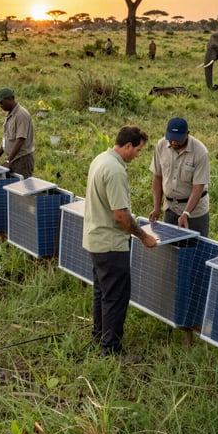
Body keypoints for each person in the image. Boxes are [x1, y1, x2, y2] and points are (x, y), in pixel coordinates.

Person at [83, 125, 158, 357]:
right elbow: (120, 215)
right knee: (116, 297)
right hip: (111, 243)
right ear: (127, 146)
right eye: (138, 150)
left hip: (95, 238)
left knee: (103, 293)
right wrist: (144, 236)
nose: (138, 154)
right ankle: (111, 349)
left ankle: (100, 335)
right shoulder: (115, 170)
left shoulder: (100, 159)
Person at [149, 117, 210, 237]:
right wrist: (156, 208)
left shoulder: (200, 152)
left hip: (194, 213)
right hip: (170, 209)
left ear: (187, 134)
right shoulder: (161, 145)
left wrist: (186, 213)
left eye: (178, 139)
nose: (174, 143)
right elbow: (157, 177)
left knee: (196, 246)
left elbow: (198, 187)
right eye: (171, 139)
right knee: (169, 246)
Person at [0, 87, 34, 178]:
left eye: (1, 102)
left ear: (10, 99)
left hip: (21, 159)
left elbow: (20, 140)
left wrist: (8, 160)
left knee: (22, 185)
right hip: (12, 158)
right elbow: (7, 138)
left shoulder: (21, 115)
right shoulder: (10, 114)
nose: (0, 105)